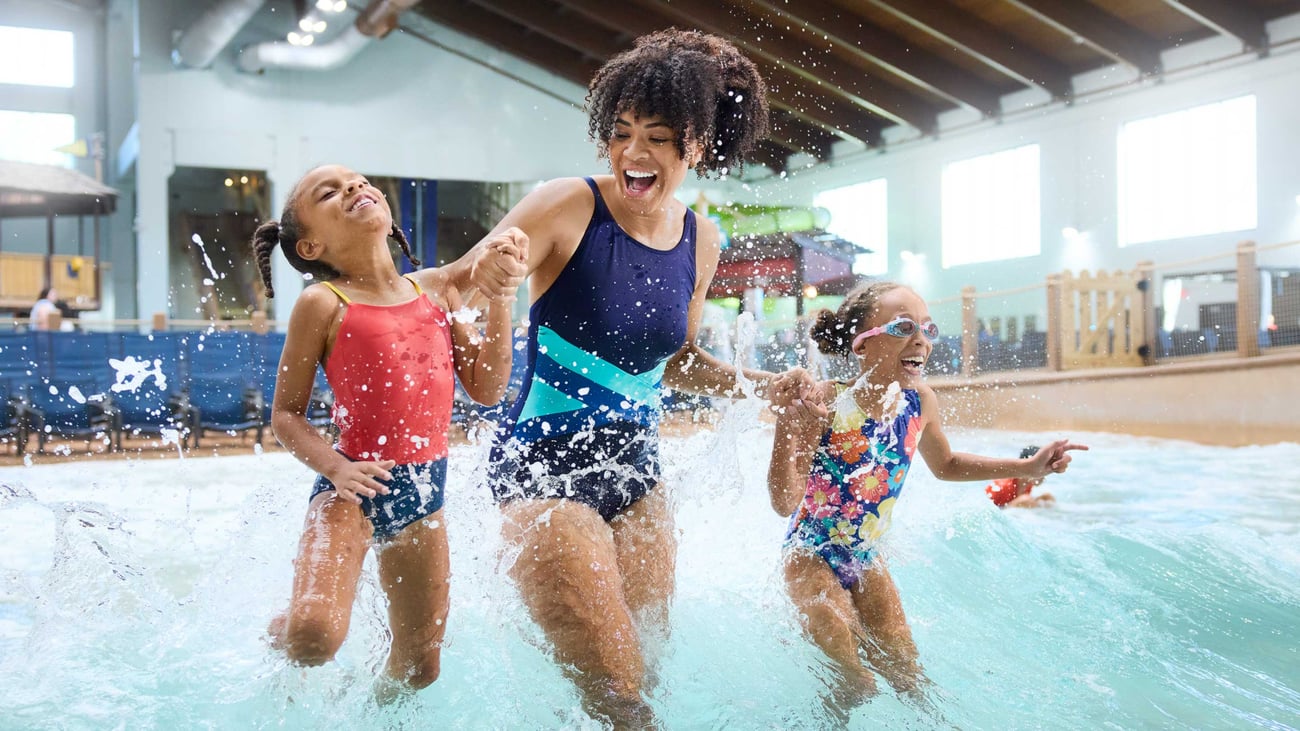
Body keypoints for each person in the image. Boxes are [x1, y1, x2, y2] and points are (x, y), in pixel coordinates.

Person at [449, 28, 812, 726]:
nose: (633, 154)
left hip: (638, 475)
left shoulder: (700, 238)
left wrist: (767, 384)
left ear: (695, 147)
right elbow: (455, 284)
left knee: (649, 669)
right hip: (542, 471)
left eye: (655, 137)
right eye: (620, 134)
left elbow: (675, 360)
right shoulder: (567, 204)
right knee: (622, 696)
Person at [251, 164, 525, 698]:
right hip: (350, 489)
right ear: (310, 247)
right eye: (329, 193)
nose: (353, 188)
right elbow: (285, 415)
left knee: (420, 667)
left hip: (424, 495)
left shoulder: (437, 291)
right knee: (313, 640)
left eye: (356, 180)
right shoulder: (324, 303)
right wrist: (335, 467)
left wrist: (501, 298)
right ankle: (281, 627)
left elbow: (488, 389)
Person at [767, 281, 1087, 709]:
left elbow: (948, 465)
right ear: (862, 345)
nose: (920, 339)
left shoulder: (920, 404)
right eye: (902, 327)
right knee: (847, 658)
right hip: (809, 552)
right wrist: (785, 427)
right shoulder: (828, 400)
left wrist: (1027, 468)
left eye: (927, 329)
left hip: (864, 556)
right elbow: (785, 501)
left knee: (908, 675)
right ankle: (837, 702)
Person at [986, 445, 1057, 508]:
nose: (1044, 474)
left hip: (1010, 506)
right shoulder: (1002, 486)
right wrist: (1015, 505)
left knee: (1047, 498)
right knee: (1025, 500)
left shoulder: (1028, 482)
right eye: (1042, 469)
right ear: (1028, 467)